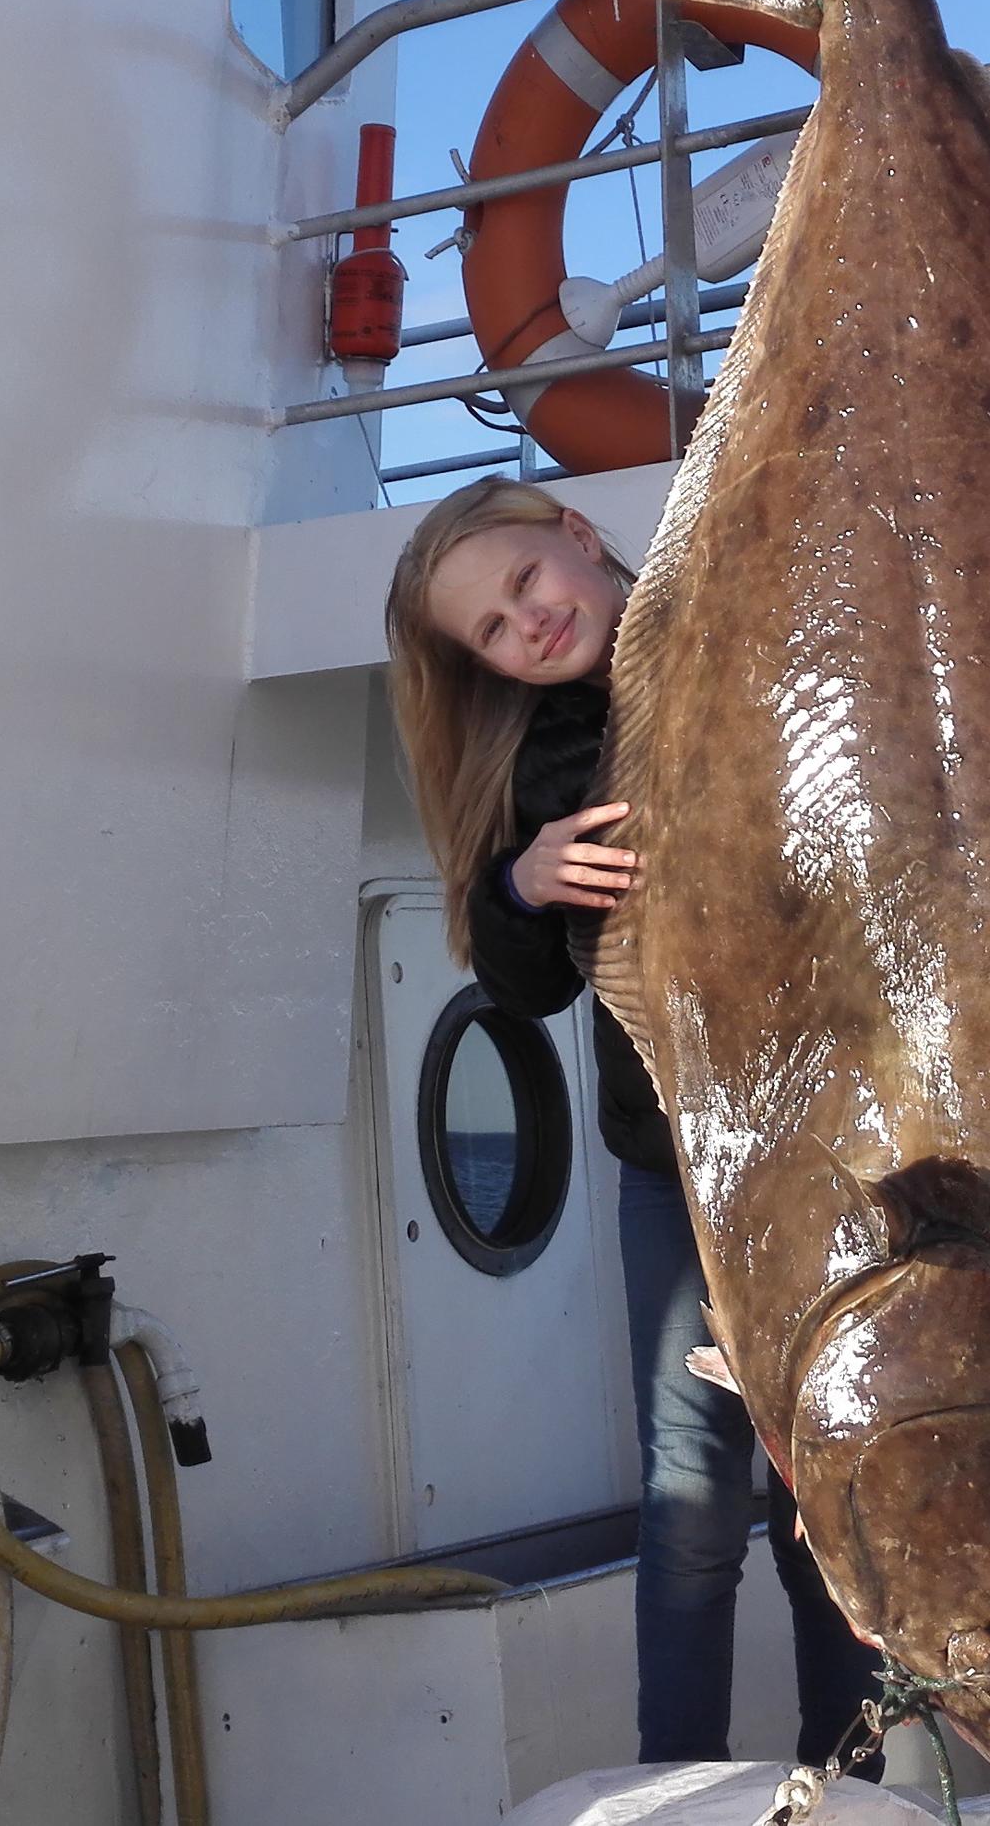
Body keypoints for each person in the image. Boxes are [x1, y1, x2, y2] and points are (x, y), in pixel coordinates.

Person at [382, 477, 882, 1776]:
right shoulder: (537, 764)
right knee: (692, 1500)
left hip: (835, 1160)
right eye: (490, 630)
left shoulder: (748, 636)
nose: (525, 625)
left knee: (827, 1497)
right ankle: (682, 1785)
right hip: (671, 1174)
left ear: (579, 537)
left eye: (526, 584)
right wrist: (521, 880)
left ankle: (857, 1776)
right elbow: (529, 987)